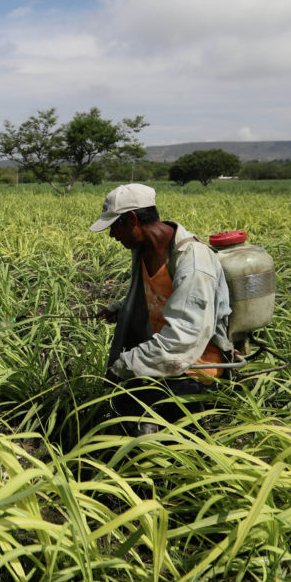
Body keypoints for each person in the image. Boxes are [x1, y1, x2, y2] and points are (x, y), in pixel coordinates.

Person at [90, 183, 232, 435]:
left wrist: (123, 366)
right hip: (161, 353)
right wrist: (122, 308)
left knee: (173, 439)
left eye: (115, 226)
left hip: (193, 364)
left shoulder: (194, 264)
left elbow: (183, 339)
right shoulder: (146, 250)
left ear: (132, 219)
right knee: (124, 412)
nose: (112, 235)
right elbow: (161, 295)